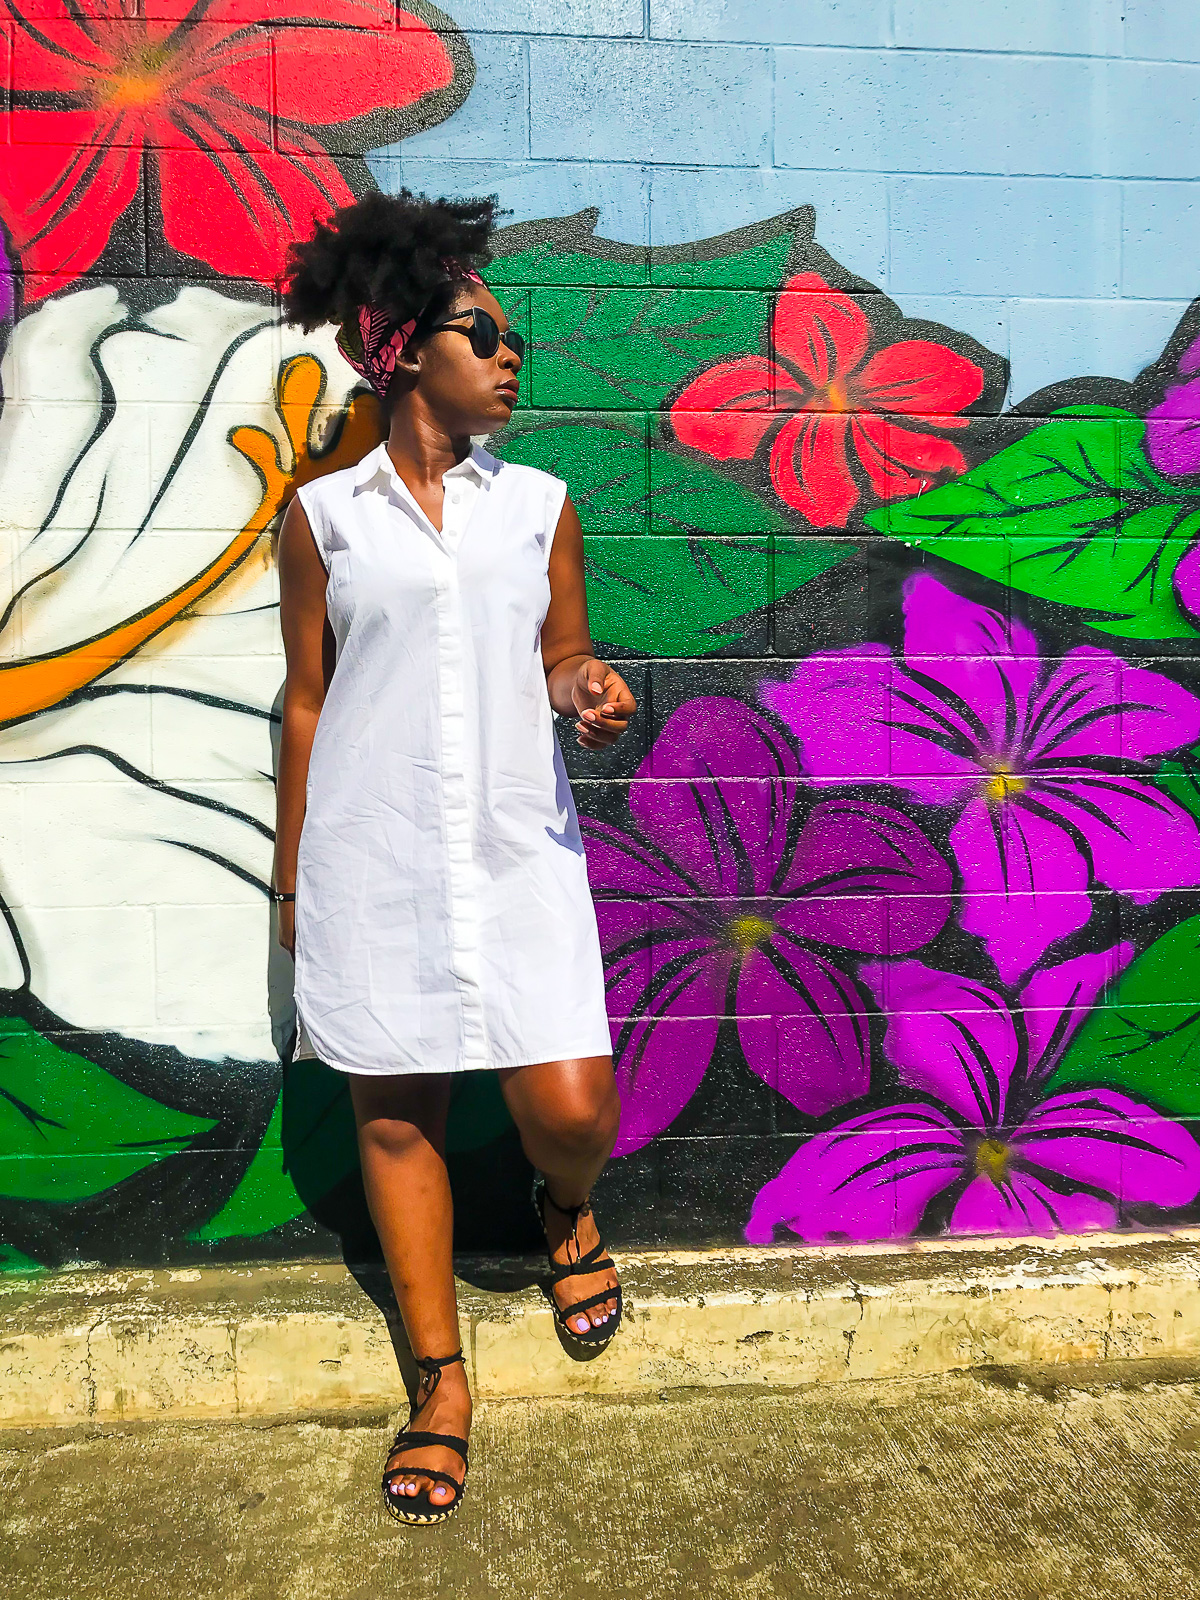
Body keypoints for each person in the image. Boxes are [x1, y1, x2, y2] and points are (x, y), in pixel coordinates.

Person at [274, 191, 638, 1527]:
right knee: (394, 1110)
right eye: (481, 330)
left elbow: (558, 655)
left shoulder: (540, 506)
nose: (510, 352)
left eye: (510, 334)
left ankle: (567, 1208)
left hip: (515, 848)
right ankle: (438, 1381)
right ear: (400, 348)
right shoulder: (324, 519)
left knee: (573, 1105)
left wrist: (587, 683)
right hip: (372, 849)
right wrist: (294, 868)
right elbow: (308, 696)